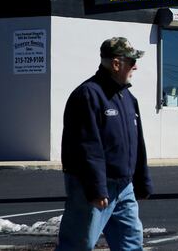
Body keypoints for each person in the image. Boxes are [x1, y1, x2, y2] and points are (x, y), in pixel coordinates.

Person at [56, 37, 153, 251]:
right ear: (116, 64)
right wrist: (96, 188)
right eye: (131, 61)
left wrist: (142, 181)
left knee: (131, 243)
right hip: (91, 186)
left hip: (124, 186)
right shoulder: (88, 95)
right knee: (78, 244)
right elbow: (87, 147)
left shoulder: (127, 97)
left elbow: (138, 142)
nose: (135, 66)